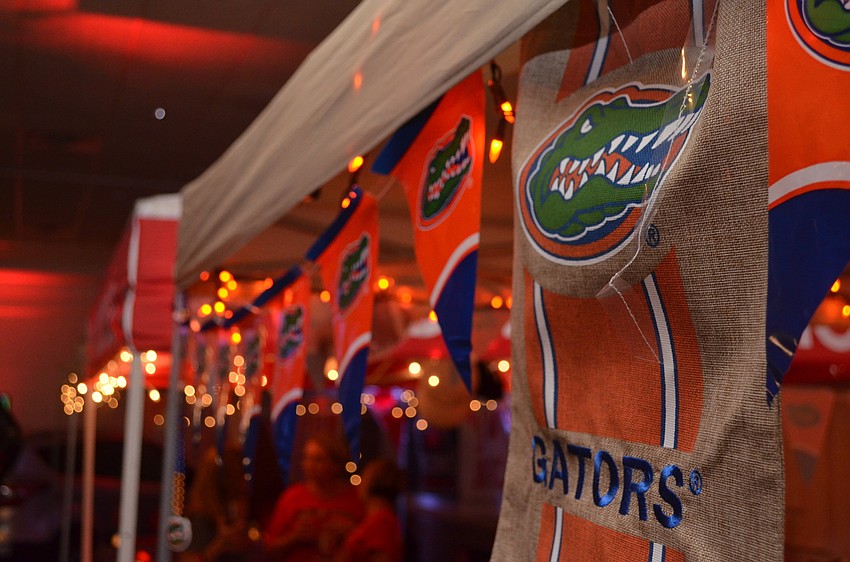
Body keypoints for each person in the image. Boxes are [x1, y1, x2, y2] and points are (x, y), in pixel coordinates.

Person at [264, 434, 364, 561]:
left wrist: (352, 533)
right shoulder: (292, 496)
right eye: (307, 458)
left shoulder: (357, 497)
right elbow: (269, 548)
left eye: (318, 459)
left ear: (336, 464)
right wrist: (293, 537)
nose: (309, 465)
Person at [179, 446, 250, 562]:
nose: (243, 480)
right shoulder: (201, 520)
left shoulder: (225, 515)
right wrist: (219, 545)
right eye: (239, 472)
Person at [336, 458, 404, 562]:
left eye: (364, 477)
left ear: (372, 482)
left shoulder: (382, 521)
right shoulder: (377, 519)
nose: (359, 484)